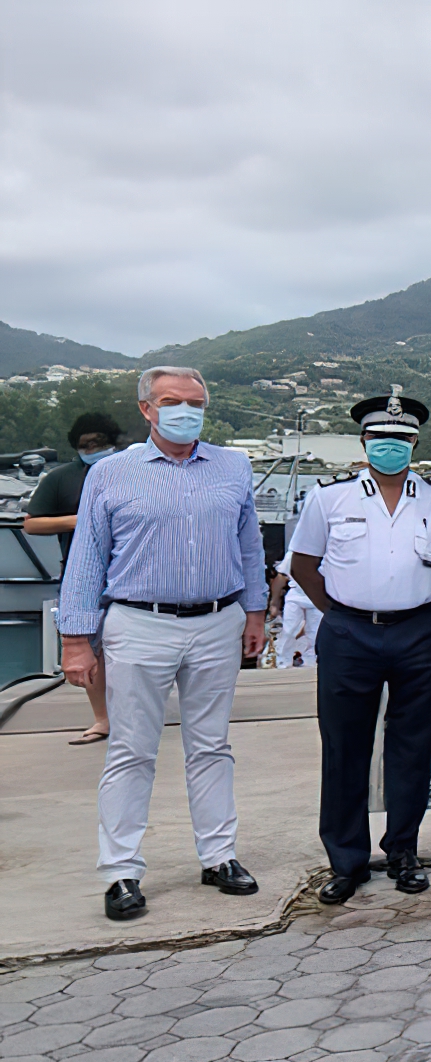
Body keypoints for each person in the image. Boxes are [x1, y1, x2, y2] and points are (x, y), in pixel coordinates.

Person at [58, 368, 266, 922]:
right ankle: (121, 870)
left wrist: (255, 611)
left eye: (195, 402)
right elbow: (86, 559)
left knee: (212, 745)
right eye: (172, 401)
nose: (185, 411)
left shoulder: (233, 465)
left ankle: (219, 856)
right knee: (131, 749)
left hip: (217, 619)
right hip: (138, 621)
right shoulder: (110, 474)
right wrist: (76, 639)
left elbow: (248, 545)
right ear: (146, 408)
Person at [288, 393, 431, 904]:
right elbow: (303, 565)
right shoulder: (328, 497)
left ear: (415, 444)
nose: (392, 447)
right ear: (364, 442)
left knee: (413, 746)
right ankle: (347, 860)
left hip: (419, 631)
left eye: (402, 440)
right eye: (382, 439)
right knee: (344, 748)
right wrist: (341, 611)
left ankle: (403, 852)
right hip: (349, 633)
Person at [26, 412, 123, 745]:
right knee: (90, 646)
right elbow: (32, 524)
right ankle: (102, 719)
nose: (92, 448)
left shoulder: (132, 470)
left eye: (99, 442)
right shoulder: (60, 478)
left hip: (131, 574)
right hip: (82, 572)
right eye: (85, 444)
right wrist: (79, 521)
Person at [268, 554, 320, 668]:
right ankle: (283, 662)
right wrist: (274, 602)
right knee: (289, 629)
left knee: (315, 633)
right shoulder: (294, 553)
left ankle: (311, 663)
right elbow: (281, 577)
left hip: (318, 596)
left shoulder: (327, 552)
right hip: (295, 594)